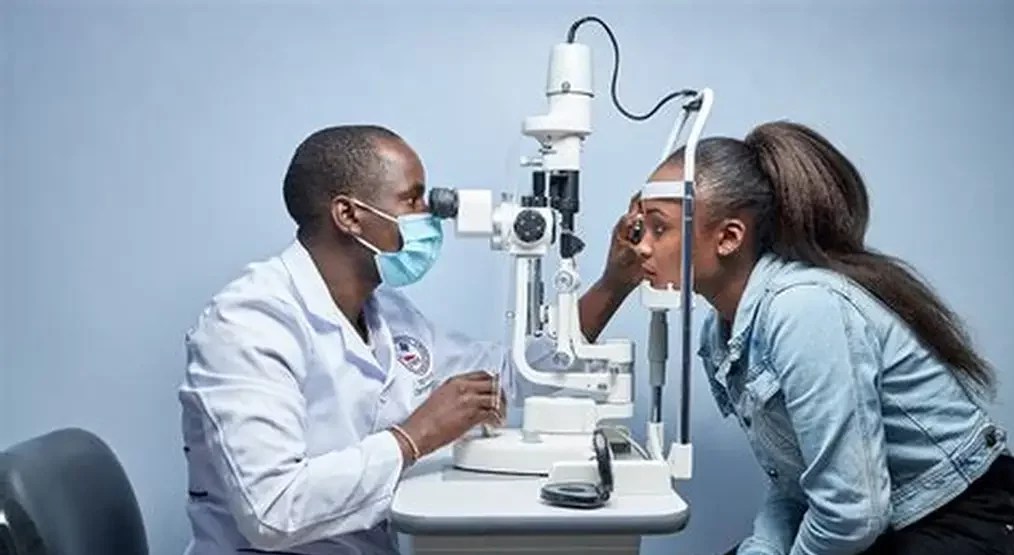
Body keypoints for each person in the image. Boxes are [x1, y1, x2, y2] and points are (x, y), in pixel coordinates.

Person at [178, 124, 644, 555]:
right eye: (414, 200)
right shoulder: (249, 323)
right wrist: (413, 437)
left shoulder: (388, 313)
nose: (432, 216)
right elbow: (271, 510)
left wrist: (614, 282)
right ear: (349, 215)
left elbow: (514, 373)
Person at [633, 121, 1013, 554]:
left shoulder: (804, 311)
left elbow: (851, 513)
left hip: (961, 520)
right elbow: (796, 484)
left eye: (658, 229)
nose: (642, 246)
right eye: (640, 228)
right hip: (879, 521)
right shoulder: (724, 332)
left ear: (728, 237)